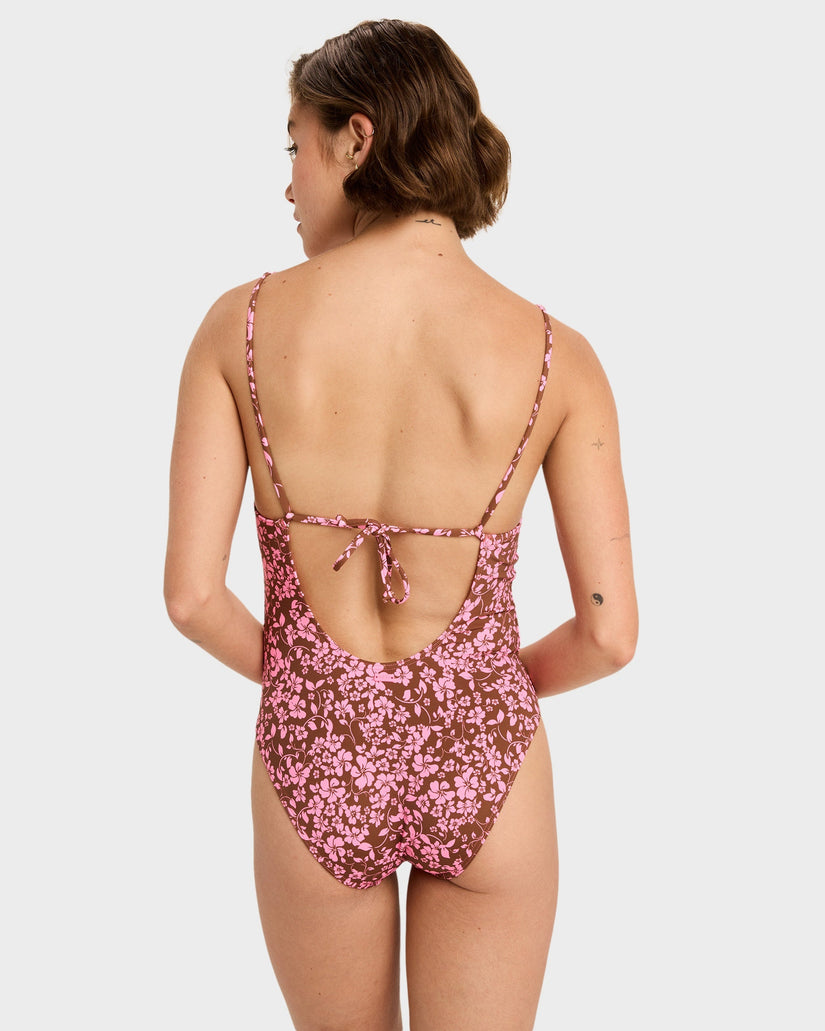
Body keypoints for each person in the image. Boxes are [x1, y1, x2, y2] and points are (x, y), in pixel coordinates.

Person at [164, 18, 637, 1031]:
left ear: (357, 138)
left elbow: (193, 598)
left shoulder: (239, 327)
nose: (288, 185)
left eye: (295, 146)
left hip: (314, 754)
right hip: (485, 757)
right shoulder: (556, 354)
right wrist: (476, 685)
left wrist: (317, 681)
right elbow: (609, 633)